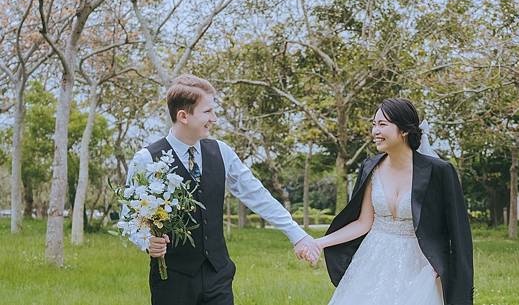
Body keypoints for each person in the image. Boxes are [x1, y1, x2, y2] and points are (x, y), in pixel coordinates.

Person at [125, 74, 319, 305]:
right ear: (183, 116)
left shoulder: (222, 152)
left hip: (218, 274)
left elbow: (256, 195)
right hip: (173, 279)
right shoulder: (146, 158)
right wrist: (147, 241)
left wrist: (297, 235)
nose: (214, 119)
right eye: (208, 112)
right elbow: (129, 216)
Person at [316, 98, 473, 305]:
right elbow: (363, 223)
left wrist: (444, 263)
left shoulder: (439, 171)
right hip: (373, 258)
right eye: (374, 125)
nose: (375, 132)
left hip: (420, 264)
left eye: (382, 125)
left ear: (404, 130)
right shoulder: (370, 167)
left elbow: (457, 229)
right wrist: (318, 243)